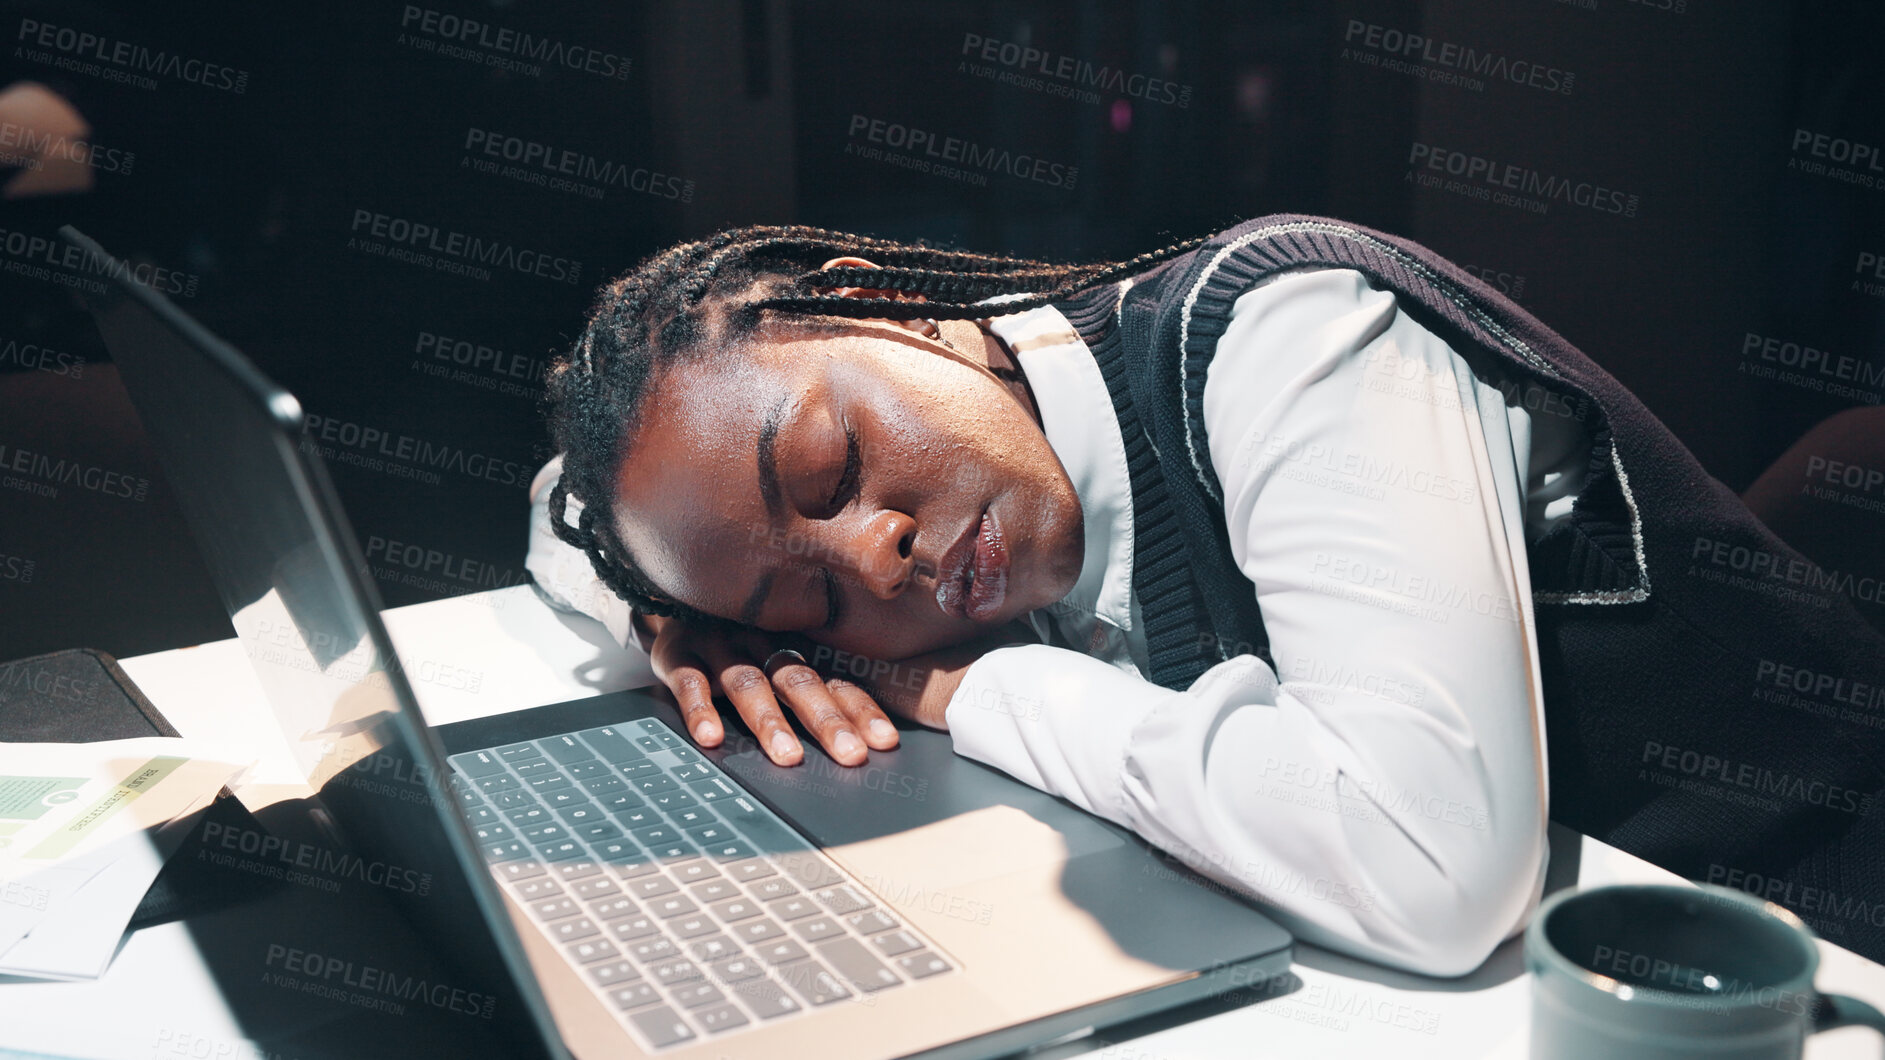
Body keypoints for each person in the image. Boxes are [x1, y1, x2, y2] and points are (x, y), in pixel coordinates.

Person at [525, 217, 1885, 975]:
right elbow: (554, 499)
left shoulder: (1286, 331)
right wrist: (670, 615)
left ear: (893, 307)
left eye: (832, 464)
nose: (871, 557)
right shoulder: (953, 480)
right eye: (807, 608)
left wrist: (978, 685)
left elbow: (1432, 878)